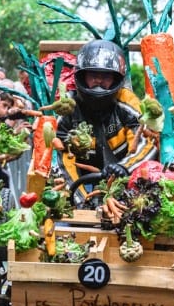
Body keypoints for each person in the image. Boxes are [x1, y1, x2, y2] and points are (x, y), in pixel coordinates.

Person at [56, 39, 157, 199]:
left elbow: (147, 143)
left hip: (123, 175)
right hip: (81, 178)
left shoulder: (127, 102)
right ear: (82, 76)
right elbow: (61, 157)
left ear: (116, 79)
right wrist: (79, 198)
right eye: (93, 75)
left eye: (106, 76)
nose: (99, 81)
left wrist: (124, 167)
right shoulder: (68, 107)